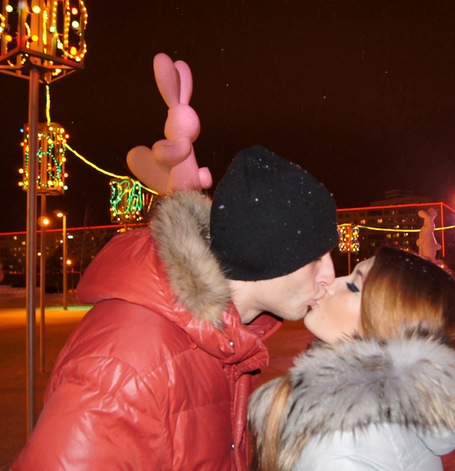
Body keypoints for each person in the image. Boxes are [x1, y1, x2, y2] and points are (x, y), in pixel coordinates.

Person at [12, 146, 339, 470]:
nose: (330, 276)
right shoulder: (127, 366)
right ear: (267, 253)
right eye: (316, 258)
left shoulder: (225, 341)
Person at [248, 248, 455, 471]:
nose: (330, 283)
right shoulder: (400, 412)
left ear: (387, 327)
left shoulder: (340, 441)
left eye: (354, 287)